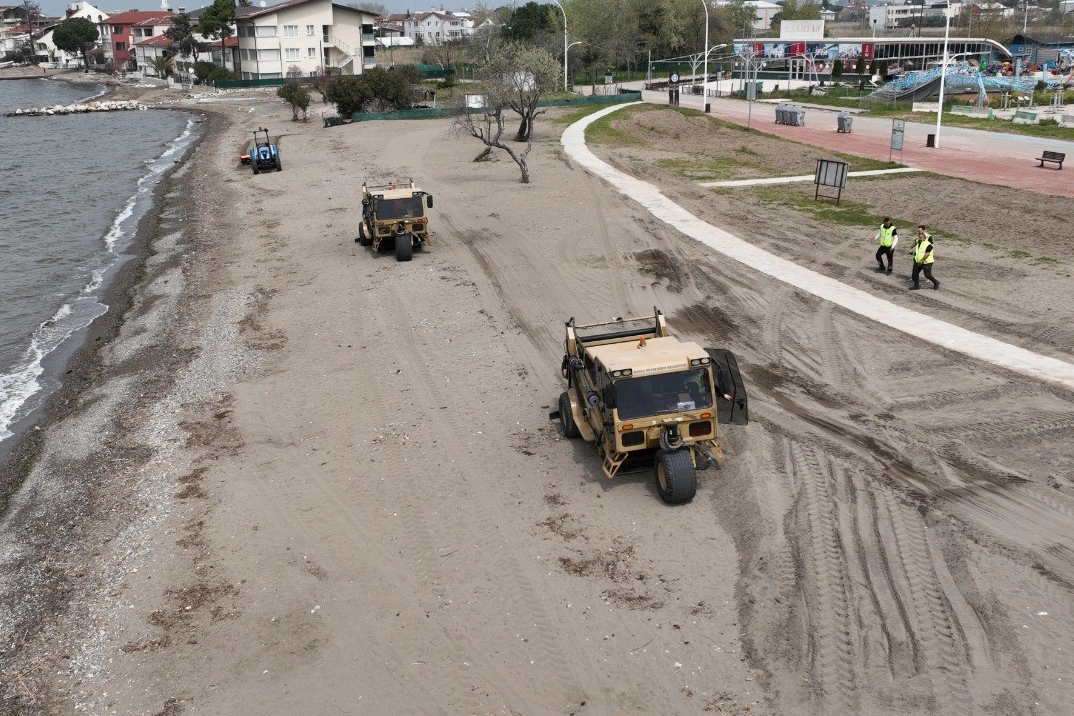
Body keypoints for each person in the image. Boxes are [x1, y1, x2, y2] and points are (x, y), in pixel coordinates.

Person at [908, 225, 940, 290]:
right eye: (919, 237)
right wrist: (910, 248)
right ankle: (916, 286)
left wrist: (922, 260)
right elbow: (915, 243)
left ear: (924, 237)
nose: (919, 238)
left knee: (927, 275)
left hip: (927, 261)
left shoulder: (928, 244)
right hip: (918, 261)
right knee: (915, 273)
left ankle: (936, 282)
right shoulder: (918, 240)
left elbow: (927, 253)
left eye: (921, 237)